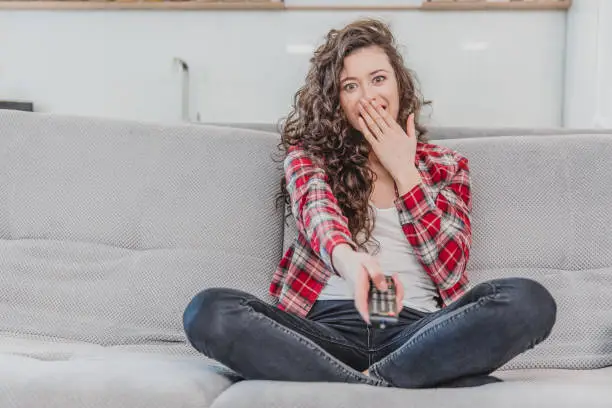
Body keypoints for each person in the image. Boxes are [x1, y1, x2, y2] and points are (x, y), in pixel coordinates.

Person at [182, 18, 557, 389]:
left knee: (528, 302)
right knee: (209, 312)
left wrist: (405, 173)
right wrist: (350, 261)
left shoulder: (447, 166)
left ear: (399, 84)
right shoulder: (309, 158)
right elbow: (318, 216)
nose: (368, 96)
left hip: (419, 333)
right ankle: (390, 383)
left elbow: (450, 265)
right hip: (323, 332)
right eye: (350, 86)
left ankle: (361, 382)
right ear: (336, 102)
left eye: (378, 78)